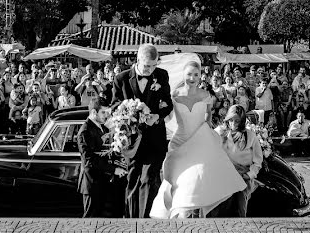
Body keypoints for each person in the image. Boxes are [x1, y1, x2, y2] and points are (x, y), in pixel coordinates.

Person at [149, 59, 245, 218]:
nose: (192, 78)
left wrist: (210, 136)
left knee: (196, 179)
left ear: (201, 76)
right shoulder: (174, 94)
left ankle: (193, 214)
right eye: (189, 74)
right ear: (184, 75)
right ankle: (179, 212)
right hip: (180, 141)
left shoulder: (206, 95)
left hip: (200, 140)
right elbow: (167, 117)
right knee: (178, 179)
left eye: (196, 74)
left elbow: (208, 119)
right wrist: (155, 114)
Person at [113, 43, 174, 219]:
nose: (151, 70)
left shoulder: (162, 76)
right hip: (132, 140)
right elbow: (115, 106)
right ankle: (132, 222)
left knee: (149, 179)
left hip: (155, 138)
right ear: (138, 60)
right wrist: (130, 108)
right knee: (132, 180)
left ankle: (145, 222)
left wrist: (158, 115)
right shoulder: (121, 79)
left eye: (154, 65)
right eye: (147, 66)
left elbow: (168, 104)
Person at [212, 105, 263, 217]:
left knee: (239, 204)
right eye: (231, 120)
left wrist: (249, 175)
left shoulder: (250, 135)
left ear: (242, 121)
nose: (233, 123)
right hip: (223, 174)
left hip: (242, 175)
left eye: (237, 120)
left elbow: (258, 161)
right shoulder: (219, 132)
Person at [77, 98, 118, 217]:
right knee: (90, 219)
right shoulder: (85, 131)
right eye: (103, 112)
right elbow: (90, 160)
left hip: (101, 181)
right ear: (94, 112)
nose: (106, 116)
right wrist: (114, 170)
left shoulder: (102, 127)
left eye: (107, 112)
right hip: (91, 183)